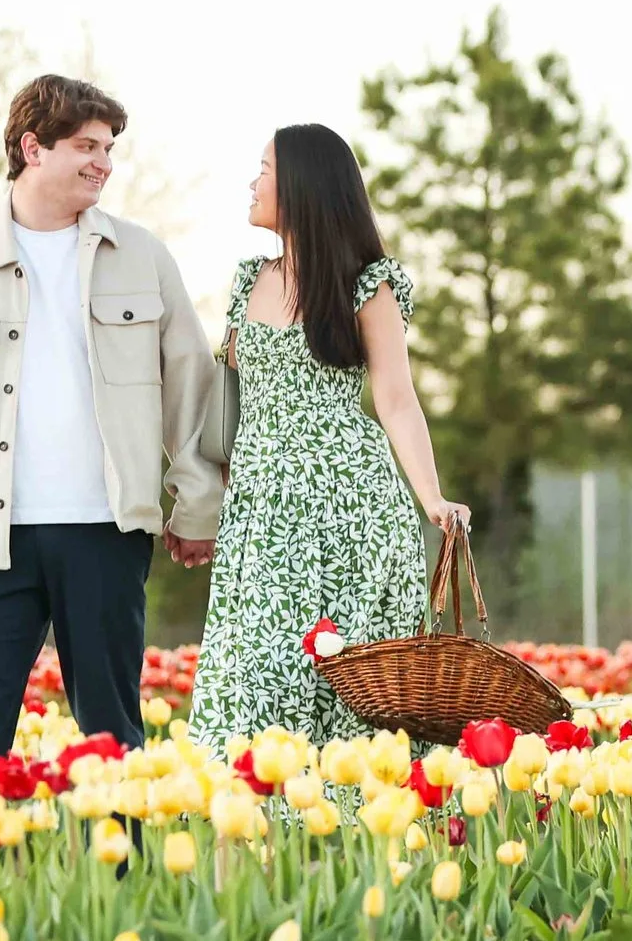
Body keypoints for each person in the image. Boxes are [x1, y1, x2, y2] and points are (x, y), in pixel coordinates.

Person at [0, 75, 223, 885]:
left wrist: (196, 501)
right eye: (87, 147)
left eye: (109, 149)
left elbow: (191, 386)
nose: (104, 164)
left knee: (110, 726)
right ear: (33, 149)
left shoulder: (142, 256)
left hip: (106, 529)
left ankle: (129, 903)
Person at [185, 124, 468, 752]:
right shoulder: (246, 281)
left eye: (264, 169)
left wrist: (434, 498)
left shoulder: (368, 283)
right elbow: (223, 397)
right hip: (260, 514)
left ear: (302, 186)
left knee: (350, 686)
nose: (252, 182)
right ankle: (262, 833)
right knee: (254, 681)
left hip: (351, 508)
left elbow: (396, 400)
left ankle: (351, 837)